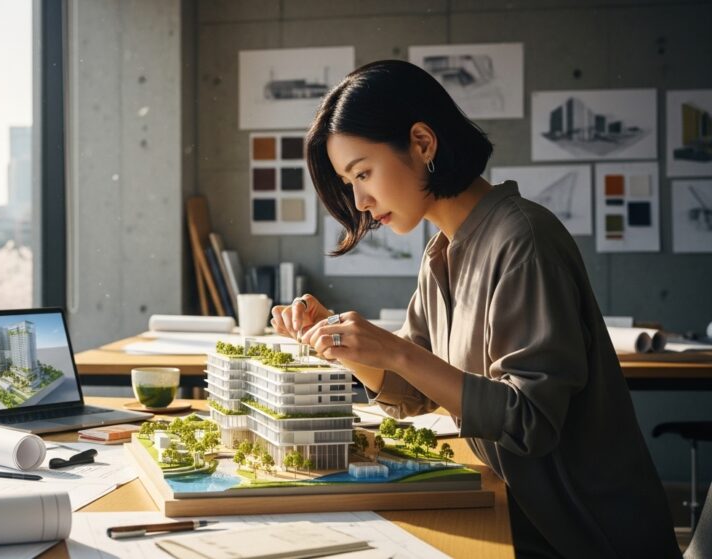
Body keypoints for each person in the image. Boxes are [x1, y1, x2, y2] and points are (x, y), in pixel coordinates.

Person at [271, 60, 679, 558]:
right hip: (521, 514)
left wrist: (395, 351)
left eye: (363, 173)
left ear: (422, 143)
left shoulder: (523, 239)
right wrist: (341, 342)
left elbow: (530, 420)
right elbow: (415, 392)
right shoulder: (443, 249)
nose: (358, 200)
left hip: (584, 537)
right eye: (348, 181)